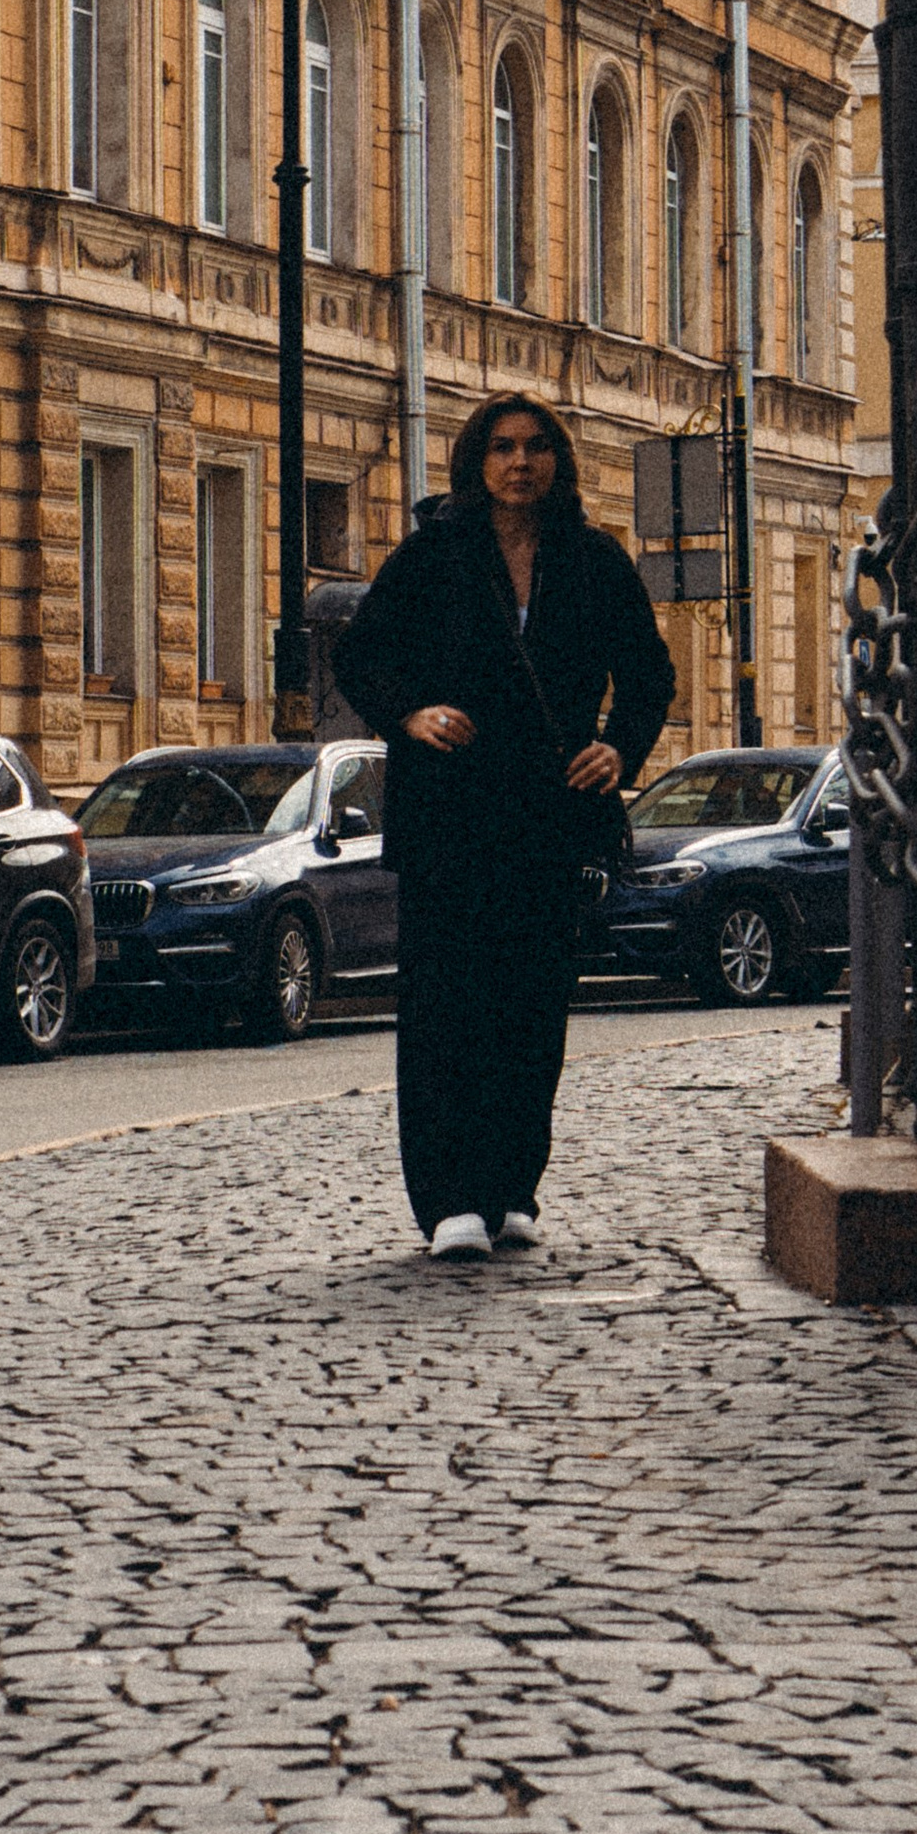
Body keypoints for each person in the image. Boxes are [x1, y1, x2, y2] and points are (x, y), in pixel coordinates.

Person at [333, 393, 676, 1261]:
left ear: (557, 460)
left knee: (531, 1009)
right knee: (447, 1007)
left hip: (548, 819)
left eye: (534, 448)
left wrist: (618, 751)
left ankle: (513, 1186)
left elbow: (649, 674)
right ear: (476, 463)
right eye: (501, 448)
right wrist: (407, 714)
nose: (519, 463)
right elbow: (359, 653)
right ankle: (448, 1200)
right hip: (451, 815)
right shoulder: (433, 556)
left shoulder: (594, 561)